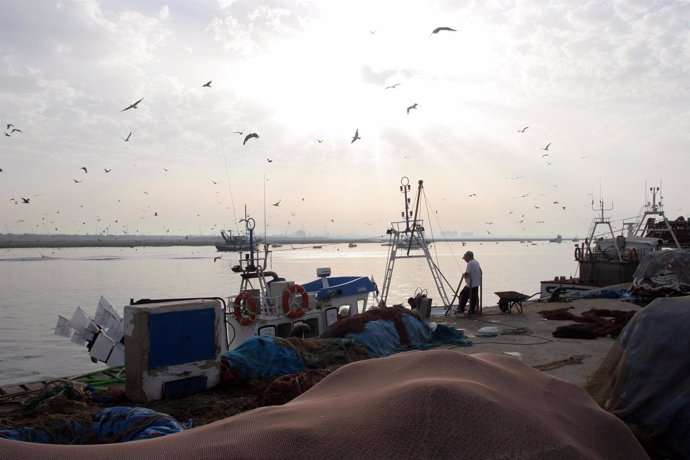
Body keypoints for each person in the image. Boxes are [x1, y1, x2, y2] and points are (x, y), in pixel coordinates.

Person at [456, 250, 482, 316]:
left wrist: (464, 275)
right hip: (476, 284)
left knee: (463, 295)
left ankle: (461, 309)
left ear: (469, 256)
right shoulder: (476, 262)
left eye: (465, 258)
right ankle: (472, 311)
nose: (465, 260)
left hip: (471, 285)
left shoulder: (470, 263)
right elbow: (481, 272)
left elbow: (467, 274)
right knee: (473, 298)